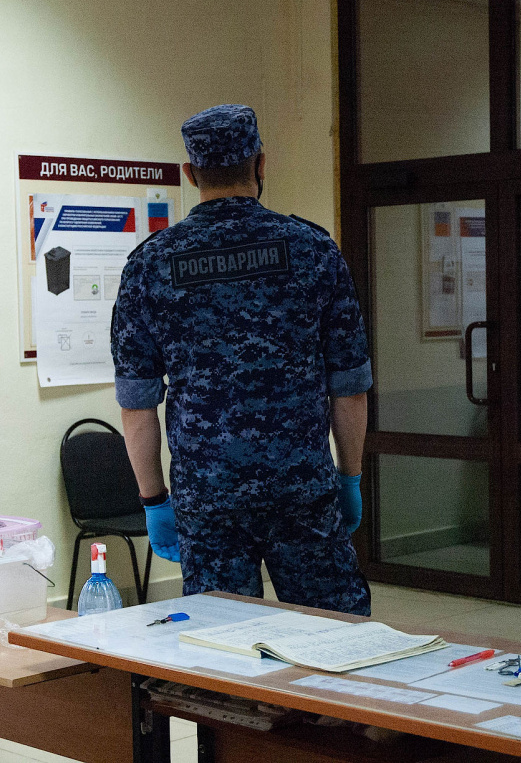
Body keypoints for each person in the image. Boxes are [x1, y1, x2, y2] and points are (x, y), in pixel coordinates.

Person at [110, 104, 373, 615]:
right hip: (303, 490)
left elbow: (137, 404)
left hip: (208, 499)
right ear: (261, 163)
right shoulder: (313, 250)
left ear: (191, 173)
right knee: (335, 636)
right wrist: (350, 477)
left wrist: (153, 501)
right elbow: (349, 385)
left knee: (219, 648)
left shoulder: (151, 265)